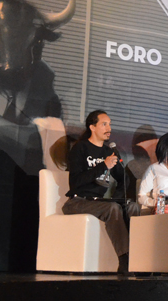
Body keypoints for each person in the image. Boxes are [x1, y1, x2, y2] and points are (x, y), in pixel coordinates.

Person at [63, 110, 140, 274]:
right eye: (104, 124)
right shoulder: (80, 148)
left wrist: (117, 198)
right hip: (78, 201)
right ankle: (125, 261)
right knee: (112, 209)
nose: (109, 128)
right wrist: (103, 166)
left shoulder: (109, 151)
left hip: (100, 202)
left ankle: (138, 257)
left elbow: (124, 179)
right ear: (92, 127)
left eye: (110, 124)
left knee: (133, 207)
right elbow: (75, 182)